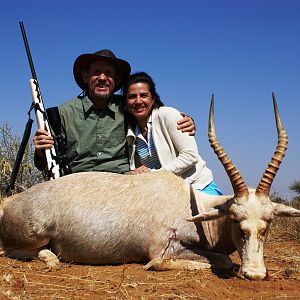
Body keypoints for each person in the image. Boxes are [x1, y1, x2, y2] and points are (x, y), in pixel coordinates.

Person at [34, 49, 195, 174]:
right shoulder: (63, 113)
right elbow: (44, 164)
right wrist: (41, 151)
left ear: (116, 80)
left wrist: (187, 121)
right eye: (96, 72)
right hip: (76, 182)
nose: (102, 78)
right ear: (85, 77)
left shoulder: (128, 107)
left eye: (108, 73)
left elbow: (154, 116)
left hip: (120, 184)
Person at [124, 72, 222, 195]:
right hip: (170, 194)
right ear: (126, 102)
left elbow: (190, 156)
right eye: (132, 96)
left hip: (198, 187)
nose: (138, 101)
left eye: (143, 95)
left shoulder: (167, 114)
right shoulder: (130, 131)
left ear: (153, 98)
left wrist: (153, 174)